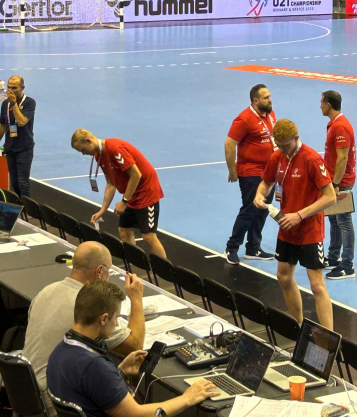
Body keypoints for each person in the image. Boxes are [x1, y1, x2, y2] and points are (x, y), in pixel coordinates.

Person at [46, 280, 219, 417]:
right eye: (116, 318)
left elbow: (92, 389)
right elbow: (136, 414)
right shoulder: (94, 366)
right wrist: (187, 398)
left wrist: (119, 372)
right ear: (103, 319)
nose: (116, 324)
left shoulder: (59, 352)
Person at [24, 242, 145, 414]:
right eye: (109, 270)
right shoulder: (91, 307)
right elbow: (134, 345)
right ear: (100, 271)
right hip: (54, 401)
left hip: (26, 392)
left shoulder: (45, 291)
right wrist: (136, 298)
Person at [254, 119, 336, 330]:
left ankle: (329, 339)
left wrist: (299, 215)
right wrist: (259, 194)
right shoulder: (277, 156)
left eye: (286, 145)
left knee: (316, 285)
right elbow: (266, 182)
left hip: (310, 230)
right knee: (283, 277)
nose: (282, 149)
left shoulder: (312, 159)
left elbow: (330, 197)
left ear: (296, 138)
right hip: (286, 229)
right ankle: (297, 326)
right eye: (279, 145)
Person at [71, 129, 167, 258]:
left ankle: (163, 269)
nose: (83, 153)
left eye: (82, 149)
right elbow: (111, 183)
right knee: (124, 230)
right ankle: (133, 262)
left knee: (148, 236)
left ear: (88, 141)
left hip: (146, 192)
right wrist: (102, 210)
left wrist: (124, 201)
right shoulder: (98, 155)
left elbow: (136, 175)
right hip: (131, 192)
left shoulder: (115, 149)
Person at [224, 84, 277, 265]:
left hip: (269, 172)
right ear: (255, 101)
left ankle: (253, 248)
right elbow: (229, 144)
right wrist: (232, 170)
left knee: (263, 211)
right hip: (251, 173)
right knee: (249, 210)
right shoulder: (244, 119)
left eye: (269, 96)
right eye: (266, 98)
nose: (270, 100)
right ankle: (231, 247)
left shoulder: (270, 114)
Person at [320, 91, 356, 280]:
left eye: (321, 102)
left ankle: (348, 266)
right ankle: (333, 258)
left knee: (344, 222)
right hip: (334, 180)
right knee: (334, 220)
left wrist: (335, 183)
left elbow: (342, 158)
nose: (320, 106)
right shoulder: (334, 124)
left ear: (328, 105)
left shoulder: (340, 126)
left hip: (341, 182)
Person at [0, 75, 35, 197]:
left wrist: (13, 103)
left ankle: (27, 206)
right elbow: (2, 126)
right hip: (10, 148)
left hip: (24, 149)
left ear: (22, 88)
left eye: (14, 88)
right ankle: (20, 204)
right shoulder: (5, 104)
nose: (10, 91)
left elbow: (21, 122)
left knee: (23, 182)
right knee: (14, 182)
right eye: (9, 87)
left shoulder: (30, 103)